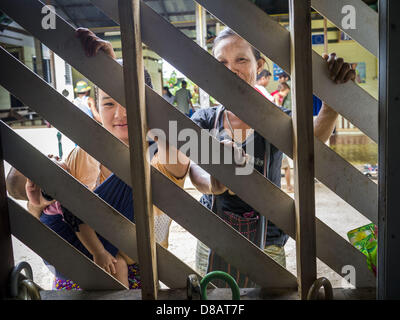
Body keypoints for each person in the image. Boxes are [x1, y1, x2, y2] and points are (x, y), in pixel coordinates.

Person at [6, 28, 190, 290]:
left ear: (148, 102)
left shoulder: (161, 152)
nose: (120, 114)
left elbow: (177, 161)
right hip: (77, 270)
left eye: (130, 100)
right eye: (108, 103)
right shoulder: (81, 154)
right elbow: (55, 217)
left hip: (139, 274)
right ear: (94, 106)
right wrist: (36, 204)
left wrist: (116, 71)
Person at [188, 27, 355, 287]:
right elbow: (195, 171)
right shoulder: (206, 119)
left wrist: (331, 104)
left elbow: (310, 143)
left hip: (269, 243)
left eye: (241, 60)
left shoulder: (276, 119)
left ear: (260, 64)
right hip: (214, 237)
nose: (231, 69)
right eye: (221, 62)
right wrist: (214, 182)